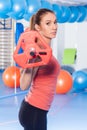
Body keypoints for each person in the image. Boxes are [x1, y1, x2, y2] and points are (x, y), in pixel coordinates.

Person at [18, 8, 60, 130]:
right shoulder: (37, 51)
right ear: (38, 27)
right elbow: (23, 85)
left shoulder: (45, 50)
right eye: (48, 23)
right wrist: (31, 60)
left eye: (55, 22)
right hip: (34, 111)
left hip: (39, 110)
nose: (54, 27)